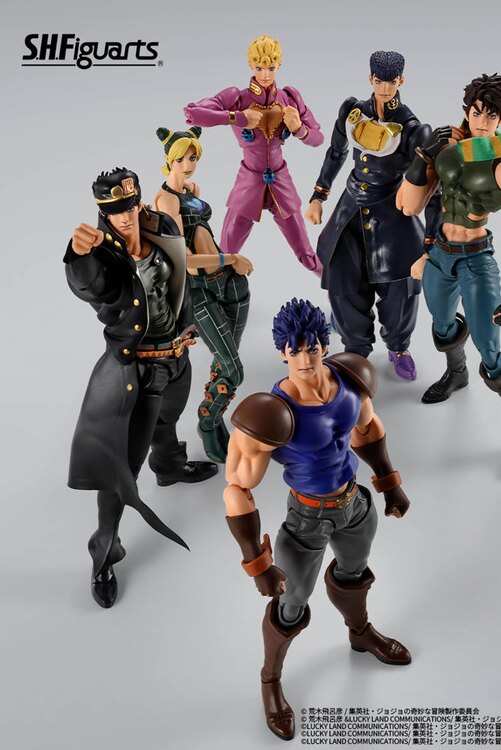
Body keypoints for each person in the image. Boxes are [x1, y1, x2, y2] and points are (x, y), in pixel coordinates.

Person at [223, 298, 412, 741]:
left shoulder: (350, 380)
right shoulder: (269, 414)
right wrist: (257, 563)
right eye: (295, 350)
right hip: (306, 517)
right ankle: (270, 679)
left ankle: (360, 633)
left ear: (325, 345)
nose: (305, 359)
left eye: (312, 348)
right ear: (282, 352)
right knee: (291, 603)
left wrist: (388, 481)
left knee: (354, 574)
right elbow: (236, 487)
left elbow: (367, 427)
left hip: (354, 505)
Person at [64, 167, 218, 609]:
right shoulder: (103, 257)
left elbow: (180, 274)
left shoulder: (159, 225)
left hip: (178, 356)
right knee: (122, 468)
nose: (127, 217)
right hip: (142, 369)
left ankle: (168, 466)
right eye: (117, 212)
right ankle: (104, 549)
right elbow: (90, 285)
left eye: (131, 207)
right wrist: (78, 256)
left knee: (168, 421)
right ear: (104, 215)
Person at [397, 73, 501, 478]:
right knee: (442, 325)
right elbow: (408, 205)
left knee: (490, 350)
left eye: (491, 116)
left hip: (477, 259)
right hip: (440, 254)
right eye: (477, 112)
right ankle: (457, 374)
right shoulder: (449, 147)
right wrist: (423, 156)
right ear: (467, 111)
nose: (482, 121)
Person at [305, 50, 441, 380]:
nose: (384, 88)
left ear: (401, 81)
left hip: (392, 209)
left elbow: (430, 189)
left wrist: (429, 244)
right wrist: (319, 195)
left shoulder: (413, 129)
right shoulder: (353, 111)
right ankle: (354, 348)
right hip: (350, 207)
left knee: (399, 286)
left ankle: (399, 346)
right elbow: (336, 152)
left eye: (391, 82)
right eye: (379, 81)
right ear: (371, 79)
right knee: (343, 277)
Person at [183, 34, 323, 275]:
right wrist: (236, 117)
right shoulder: (237, 98)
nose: (265, 74)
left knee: (307, 255)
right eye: (259, 68)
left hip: (281, 182)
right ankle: (208, 293)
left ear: (279, 65)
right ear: (251, 65)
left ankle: (339, 291)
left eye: (271, 67)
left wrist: (299, 128)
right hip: (249, 183)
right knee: (224, 255)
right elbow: (192, 113)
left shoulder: (289, 98)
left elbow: (318, 138)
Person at [154, 126, 253, 462]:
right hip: (200, 289)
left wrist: (229, 265)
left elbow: (202, 232)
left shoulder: (191, 189)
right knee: (234, 369)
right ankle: (207, 421)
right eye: (181, 159)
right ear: (169, 160)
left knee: (224, 362)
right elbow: (183, 260)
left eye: (193, 157)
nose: (188, 164)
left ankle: (216, 418)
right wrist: (232, 258)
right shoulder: (165, 201)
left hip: (230, 283)